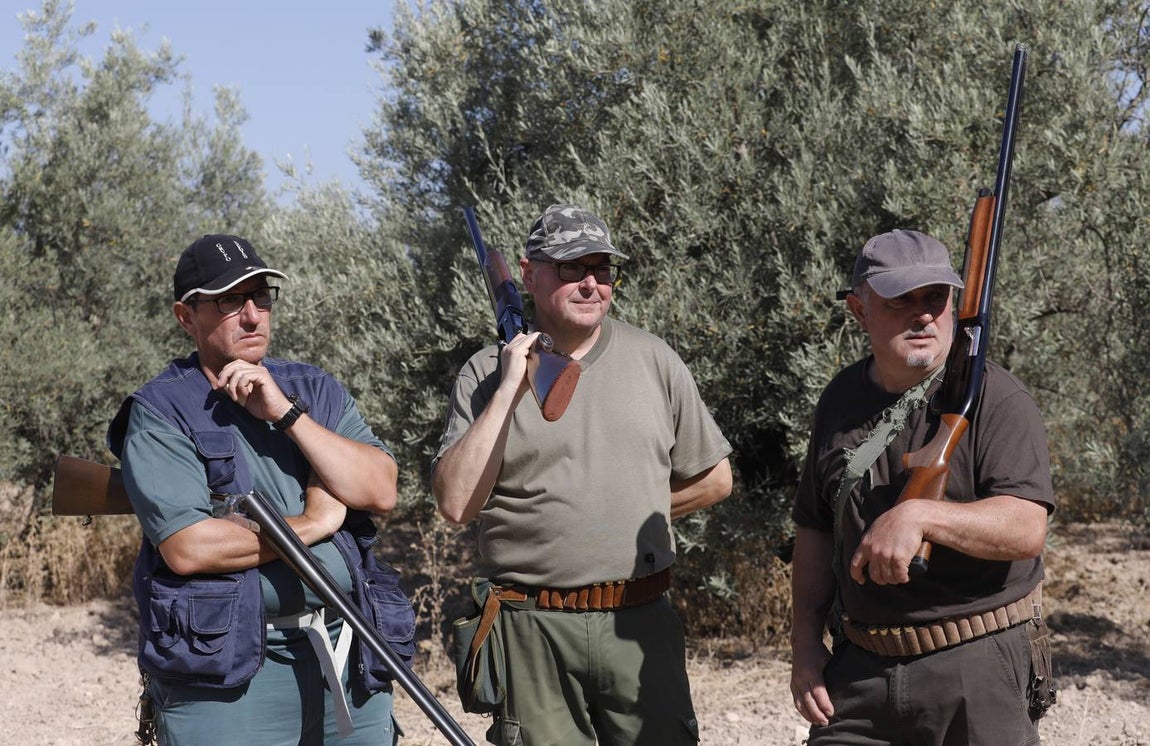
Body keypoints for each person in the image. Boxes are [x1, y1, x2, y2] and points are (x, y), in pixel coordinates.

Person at [433, 204, 734, 745]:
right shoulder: (484, 373)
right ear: (528, 274)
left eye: (602, 268)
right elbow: (456, 505)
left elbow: (715, 479)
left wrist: (620, 511)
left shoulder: (655, 360)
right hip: (532, 630)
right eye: (572, 267)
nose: (591, 283)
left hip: (639, 620)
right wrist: (508, 390)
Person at [107, 234, 412, 745]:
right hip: (227, 673)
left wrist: (288, 416)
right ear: (187, 317)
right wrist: (314, 522)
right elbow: (188, 547)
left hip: (346, 646)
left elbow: (379, 489)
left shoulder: (312, 389)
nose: (253, 315)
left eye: (261, 296)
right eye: (230, 300)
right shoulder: (160, 411)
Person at [788, 229, 1056, 745]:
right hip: (859, 668)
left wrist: (922, 517)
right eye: (900, 300)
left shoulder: (998, 398)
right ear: (859, 309)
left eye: (935, 297)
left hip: (975, 665)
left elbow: (1026, 528)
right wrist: (804, 647)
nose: (923, 315)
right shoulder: (840, 398)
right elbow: (816, 529)